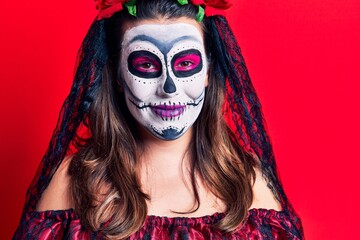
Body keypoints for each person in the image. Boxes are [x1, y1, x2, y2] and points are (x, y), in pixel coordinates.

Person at [14, 0, 303, 239]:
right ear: (117, 73)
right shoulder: (72, 182)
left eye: (186, 63)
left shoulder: (248, 184)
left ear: (207, 71)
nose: (169, 87)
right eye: (146, 64)